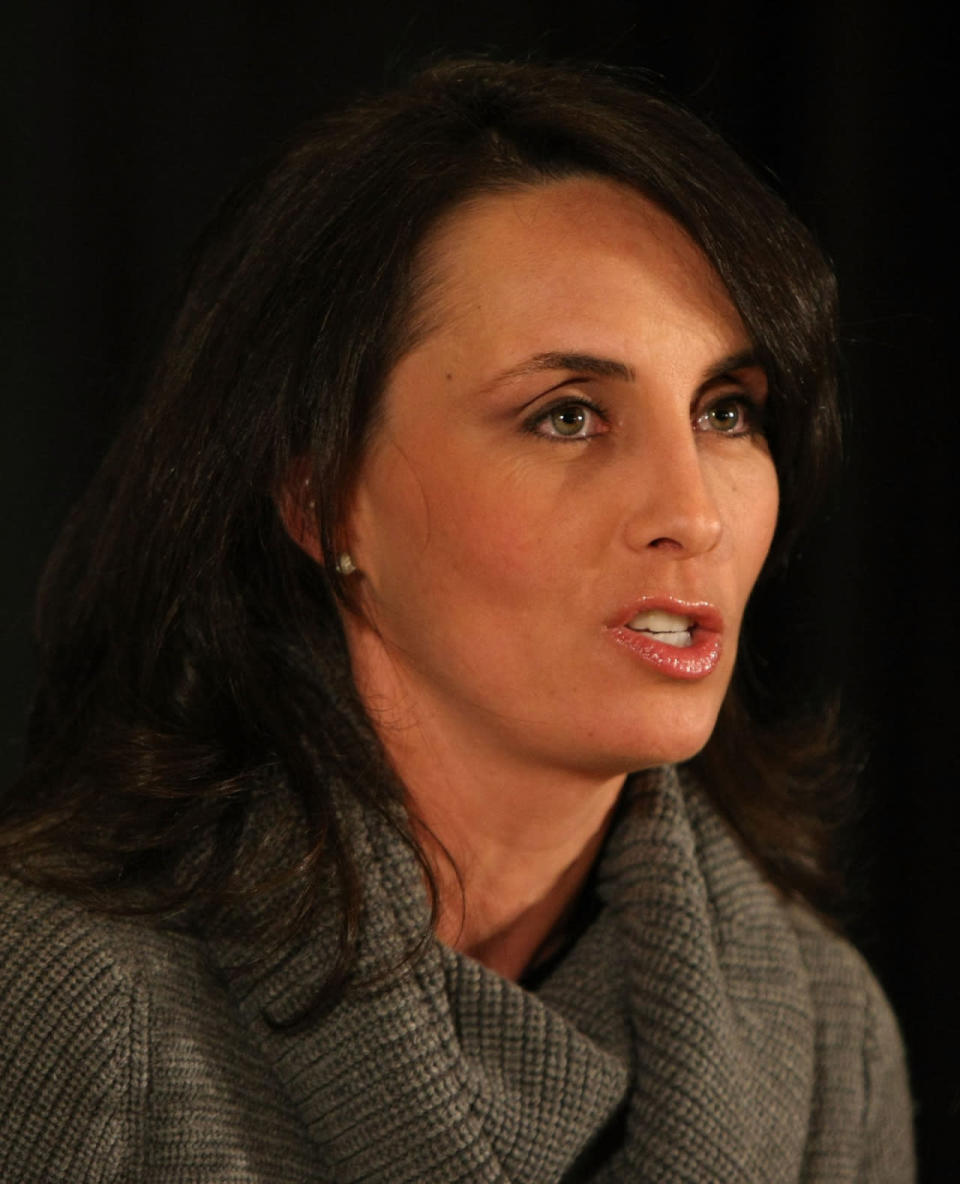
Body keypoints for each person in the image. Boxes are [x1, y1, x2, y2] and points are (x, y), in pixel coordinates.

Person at [0, 57, 914, 1182]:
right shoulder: (69, 1006)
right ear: (320, 497)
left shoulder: (829, 1040)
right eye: (568, 415)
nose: (693, 512)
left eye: (727, 410)